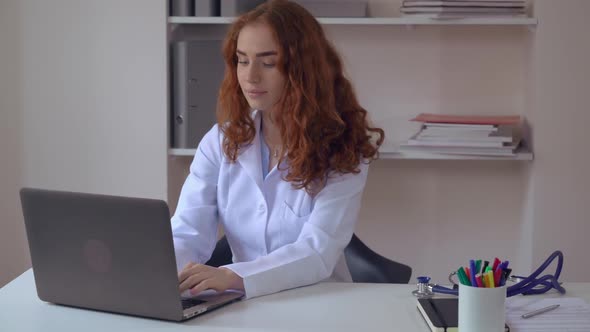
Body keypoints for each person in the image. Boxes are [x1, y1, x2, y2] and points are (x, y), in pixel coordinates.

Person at [172, 0, 384, 299]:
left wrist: (233, 275)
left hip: (319, 302)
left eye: (268, 62)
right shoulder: (221, 140)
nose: (250, 76)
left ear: (302, 69)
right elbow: (186, 231)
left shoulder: (344, 148)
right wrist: (163, 272)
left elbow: (317, 250)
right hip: (243, 304)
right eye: (242, 60)